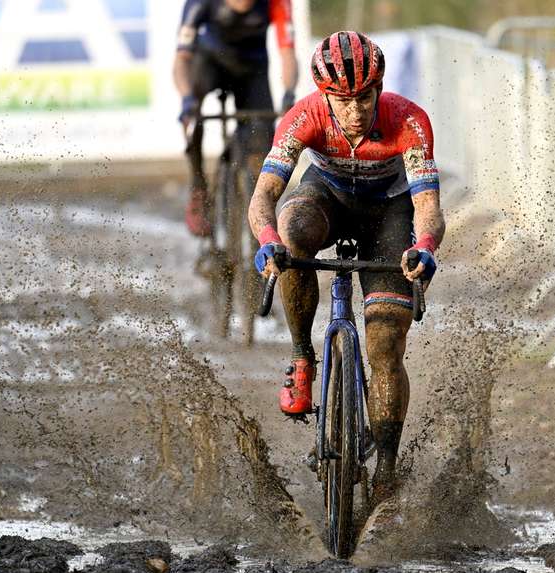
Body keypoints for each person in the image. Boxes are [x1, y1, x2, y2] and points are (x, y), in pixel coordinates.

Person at [247, 31, 445, 499]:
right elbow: (264, 197)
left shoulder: (408, 120)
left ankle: (387, 473)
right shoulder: (305, 116)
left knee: (385, 343)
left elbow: (429, 205)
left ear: (379, 88)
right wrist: (268, 241)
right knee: (293, 235)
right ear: (324, 95)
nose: (355, 110)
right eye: (343, 100)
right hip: (328, 198)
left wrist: (427, 246)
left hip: (391, 213)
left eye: (365, 97)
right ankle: (301, 356)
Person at [174, 0, 298, 237]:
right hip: (210, 63)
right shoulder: (200, 3)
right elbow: (181, 61)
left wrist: (289, 93)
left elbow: (287, 54)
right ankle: (199, 189)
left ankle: (260, 206)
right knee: (192, 118)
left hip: (253, 71)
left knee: (263, 144)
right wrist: (187, 99)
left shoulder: (277, 3)